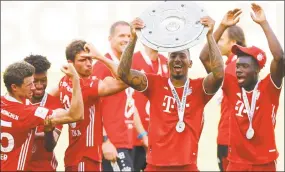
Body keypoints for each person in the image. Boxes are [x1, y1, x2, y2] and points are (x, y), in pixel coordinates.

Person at [115, 15, 224, 171]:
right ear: (167, 61)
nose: (177, 59)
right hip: (156, 166)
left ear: (190, 63)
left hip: (187, 166)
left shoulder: (200, 87)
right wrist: (133, 39)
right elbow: (123, 73)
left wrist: (209, 35)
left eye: (182, 56)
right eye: (173, 55)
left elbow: (219, 74)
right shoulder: (154, 83)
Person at [221, 3, 284, 171]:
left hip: (264, 164)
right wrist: (221, 27)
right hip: (236, 164)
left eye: (244, 66)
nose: (238, 69)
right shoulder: (232, 86)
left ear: (257, 69)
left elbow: (279, 57)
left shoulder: (269, 88)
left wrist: (264, 23)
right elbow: (205, 58)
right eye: (238, 65)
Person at [50, 39, 129, 171]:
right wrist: (100, 56)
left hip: (78, 157)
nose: (89, 64)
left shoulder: (64, 81)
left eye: (90, 59)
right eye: (82, 60)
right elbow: (126, 80)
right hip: (85, 157)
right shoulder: (87, 86)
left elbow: (47, 97)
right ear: (70, 63)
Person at [1, 61, 84, 171]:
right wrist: (75, 79)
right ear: (14, 87)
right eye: (30, 84)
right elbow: (76, 115)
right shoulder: (28, 112)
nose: (34, 87)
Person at [199, 8, 244, 171]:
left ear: (233, 44)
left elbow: (203, 57)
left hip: (230, 138)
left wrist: (217, 29)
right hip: (241, 138)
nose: (218, 44)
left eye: (222, 40)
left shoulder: (233, 69)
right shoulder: (246, 67)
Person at [92, 21, 136, 171]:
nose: (126, 39)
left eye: (129, 36)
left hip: (127, 141)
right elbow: (92, 106)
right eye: (121, 35)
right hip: (112, 143)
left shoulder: (126, 66)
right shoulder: (102, 66)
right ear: (110, 39)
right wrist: (104, 140)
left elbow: (130, 104)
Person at [131, 45, 169, 171]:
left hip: (159, 138)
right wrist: (142, 134)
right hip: (134, 137)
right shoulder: (133, 59)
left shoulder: (166, 61)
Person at [23, 55, 63, 171]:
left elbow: (50, 145)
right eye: (35, 81)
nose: (40, 86)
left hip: (45, 167)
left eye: (44, 80)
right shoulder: (17, 101)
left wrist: (47, 132)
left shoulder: (55, 104)